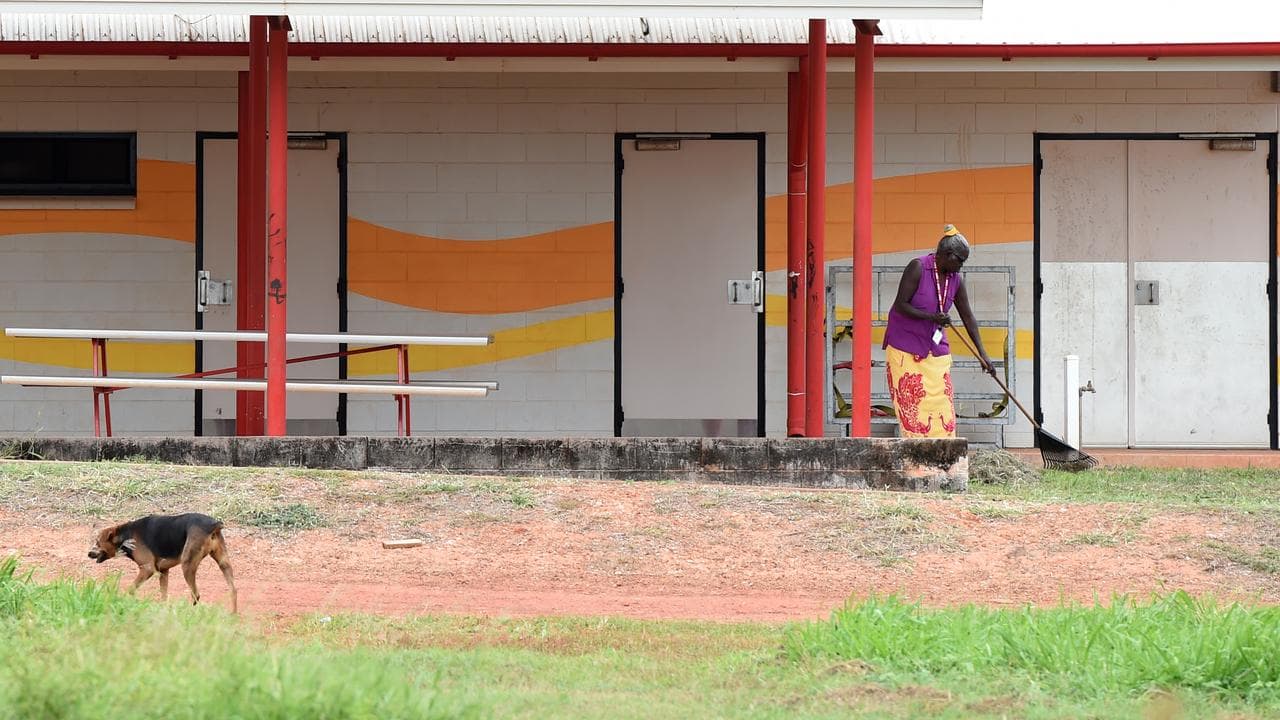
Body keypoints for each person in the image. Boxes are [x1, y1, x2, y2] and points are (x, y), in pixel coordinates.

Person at [882, 224, 994, 438]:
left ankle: (944, 461)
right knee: (914, 409)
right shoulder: (917, 267)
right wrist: (931, 317)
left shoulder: (955, 279)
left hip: (934, 346)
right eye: (959, 260)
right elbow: (900, 305)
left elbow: (968, 317)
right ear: (946, 255)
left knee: (942, 405)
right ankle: (918, 464)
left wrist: (983, 354)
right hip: (906, 347)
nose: (961, 266)